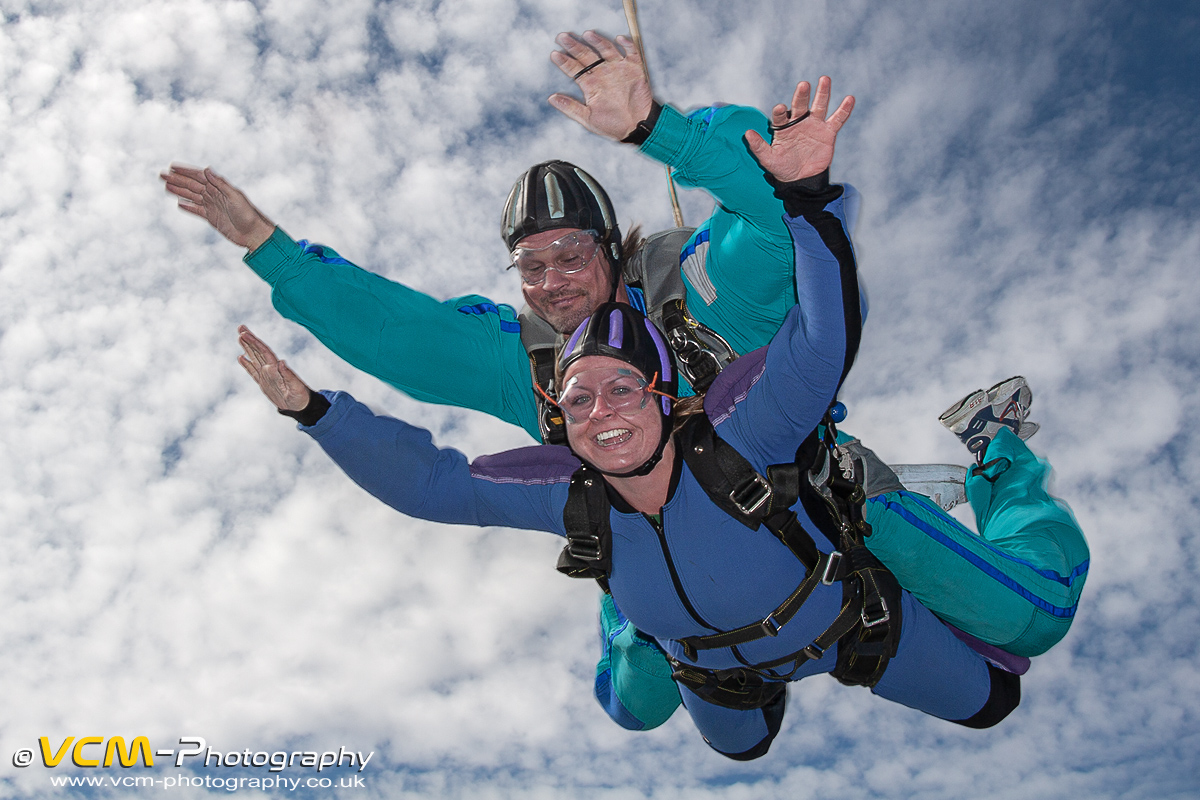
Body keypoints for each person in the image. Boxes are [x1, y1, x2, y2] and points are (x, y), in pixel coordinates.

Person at [164, 43, 1087, 728]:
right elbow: (396, 334)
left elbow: (778, 215)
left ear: (613, 252)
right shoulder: (528, 359)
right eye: (530, 266)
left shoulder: (698, 291)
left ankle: (996, 455)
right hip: (665, 563)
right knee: (640, 701)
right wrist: (269, 247)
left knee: (1023, 631)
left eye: (570, 255)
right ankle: (671, 647)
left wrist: (660, 129)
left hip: (824, 511)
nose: (552, 281)